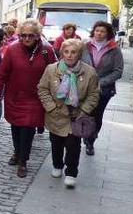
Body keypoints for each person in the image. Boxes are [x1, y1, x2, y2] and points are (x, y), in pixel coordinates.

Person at [0, 19, 56, 177]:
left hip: (35, 98)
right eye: (23, 35)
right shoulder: (12, 50)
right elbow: (1, 75)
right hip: (15, 96)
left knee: (28, 128)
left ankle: (23, 161)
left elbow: (56, 72)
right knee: (16, 127)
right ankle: (17, 151)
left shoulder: (46, 50)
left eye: (30, 35)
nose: (26, 38)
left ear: (37, 35)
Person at [38, 39, 100, 188]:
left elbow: (94, 94)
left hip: (76, 117)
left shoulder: (89, 72)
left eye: (73, 52)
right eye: (66, 52)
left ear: (79, 54)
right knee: (56, 142)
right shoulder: (51, 69)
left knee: (73, 145)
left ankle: (71, 172)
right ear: (62, 53)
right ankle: (57, 164)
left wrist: (84, 110)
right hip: (56, 115)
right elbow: (42, 89)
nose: (70, 55)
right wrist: (51, 107)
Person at [80, 21, 124, 156]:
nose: (99, 33)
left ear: (108, 33)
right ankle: (84, 134)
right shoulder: (85, 46)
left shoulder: (114, 49)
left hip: (103, 90)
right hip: (84, 87)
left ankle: (90, 141)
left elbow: (118, 71)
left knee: (97, 115)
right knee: (85, 113)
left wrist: (101, 82)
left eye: (102, 31)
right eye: (97, 30)